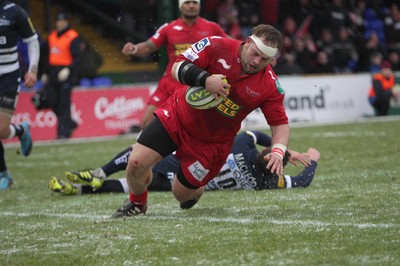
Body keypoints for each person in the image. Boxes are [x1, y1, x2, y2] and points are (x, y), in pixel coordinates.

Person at [112, 24, 290, 218]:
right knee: (136, 163)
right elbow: (178, 66)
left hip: (210, 144)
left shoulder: (270, 86)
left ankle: (196, 190)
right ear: (247, 42)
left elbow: (279, 124)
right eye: (255, 53)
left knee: (181, 194)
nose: (256, 61)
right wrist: (205, 79)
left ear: (272, 60)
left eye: (264, 59)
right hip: (177, 117)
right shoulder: (216, 45)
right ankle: (137, 203)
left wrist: (278, 152)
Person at [48, 131, 318, 195]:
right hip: (185, 183)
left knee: (138, 153)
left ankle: (98, 174)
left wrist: (288, 149)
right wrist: (310, 161)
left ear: (265, 152)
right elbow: (303, 181)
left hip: (182, 163)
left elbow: (256, 135)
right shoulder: (269, 180)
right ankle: (84, 187)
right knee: (135, 183)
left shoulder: (242, 143)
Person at [121, 0, 226, 130]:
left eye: (195, 2)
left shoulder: (212, 28)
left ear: (199, 6)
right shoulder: (168, 28)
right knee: (147, 124)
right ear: (180, 6)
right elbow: (148, 47)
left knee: (191, 128)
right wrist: (135, 49)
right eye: (187, 2)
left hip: (194, 85)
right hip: (168, 83)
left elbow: (230, 46)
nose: (191, 6)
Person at [0, 0, 39, 190]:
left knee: (1, 130)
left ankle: (21, 131)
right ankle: (4, 174)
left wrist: (32, 69)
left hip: (8, 77)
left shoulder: (14, 11)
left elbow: (32, 41)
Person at [40, 12, 81, 139]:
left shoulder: (73, 36)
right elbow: (46, 56)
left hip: (65, 74)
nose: (60, 23)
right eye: (58, 21)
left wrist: (68, 69)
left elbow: (78, 57)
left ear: (67, 22)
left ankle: (62, 133)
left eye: (62, 21)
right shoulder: (52, 36)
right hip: (52, 72)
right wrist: (45, 72)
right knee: (51, 101)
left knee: (64, 103)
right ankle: (70, 123)